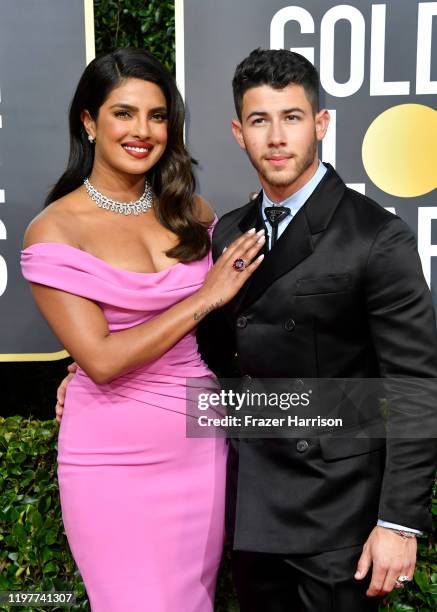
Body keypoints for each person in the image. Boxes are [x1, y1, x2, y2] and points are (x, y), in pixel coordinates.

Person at [55, 49, 437, 611]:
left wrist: (399, 523)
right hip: (246, 508)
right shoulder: (226, 231)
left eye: (292, 117)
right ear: (239, 133)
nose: (277, 137)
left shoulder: (376, 237)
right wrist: (85, 368)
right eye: (260, 121)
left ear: (321, 124)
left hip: (338, 519)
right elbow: (203, 348)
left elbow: (415, 387)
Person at [21, 48, 265, 612]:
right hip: (110, 455)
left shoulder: (192, 213)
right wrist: (204, 297)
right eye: (123, 113)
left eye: (157, 116)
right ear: (89, 121)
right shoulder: (55, 229)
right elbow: (102, 360)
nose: (143, 131)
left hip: (196, 440)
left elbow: (228, 324)